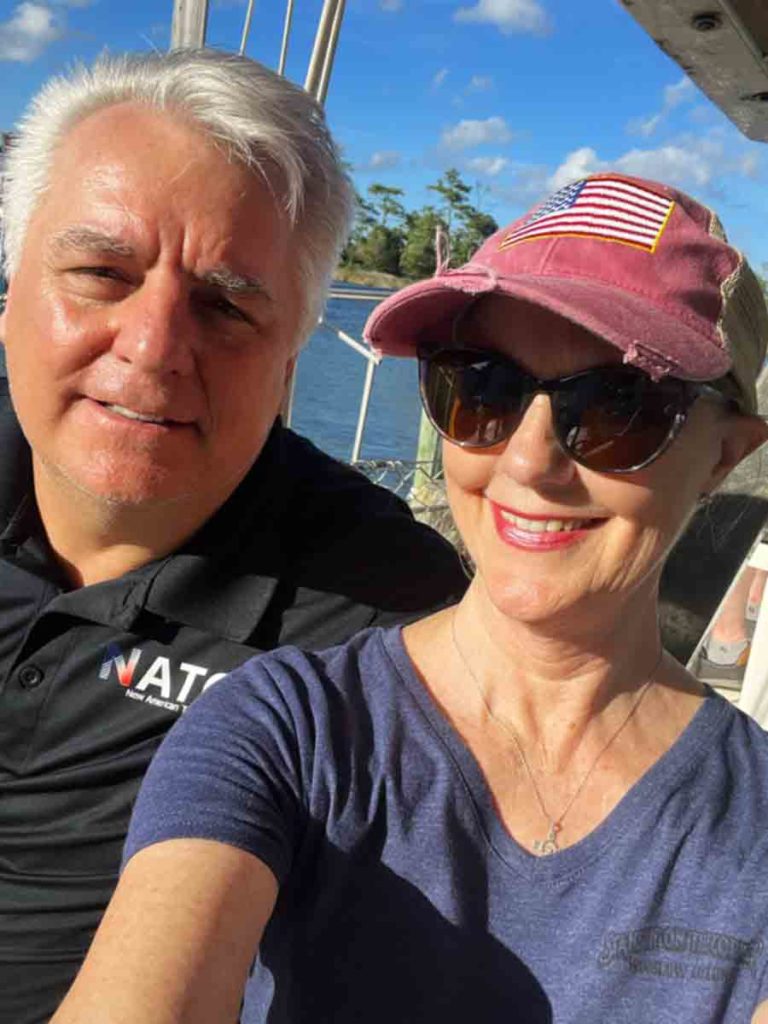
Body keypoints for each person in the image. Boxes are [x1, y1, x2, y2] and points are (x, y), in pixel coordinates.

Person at [52, 173, 768, 1024]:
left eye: (619, 407)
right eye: (482, 388)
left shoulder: (751, 822)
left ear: (726, 454)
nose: (527, 461)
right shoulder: (285, 732)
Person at [0, 49, 467, 1023]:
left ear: (292, 354)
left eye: (225, 304)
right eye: (99, 272)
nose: (154, 347)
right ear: (10, 301)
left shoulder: (381, 610)